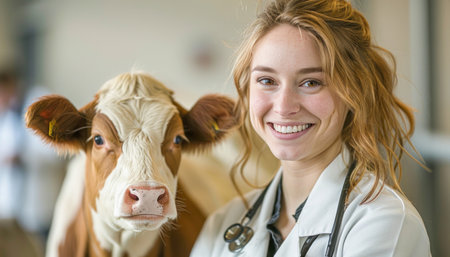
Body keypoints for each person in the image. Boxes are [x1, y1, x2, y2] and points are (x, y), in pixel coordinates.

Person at [190, 0, 431, 256]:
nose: (284, 107)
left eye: (311, 82)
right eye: (267, 80)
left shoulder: (385, 223)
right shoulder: (224, 223)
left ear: (354, 93)